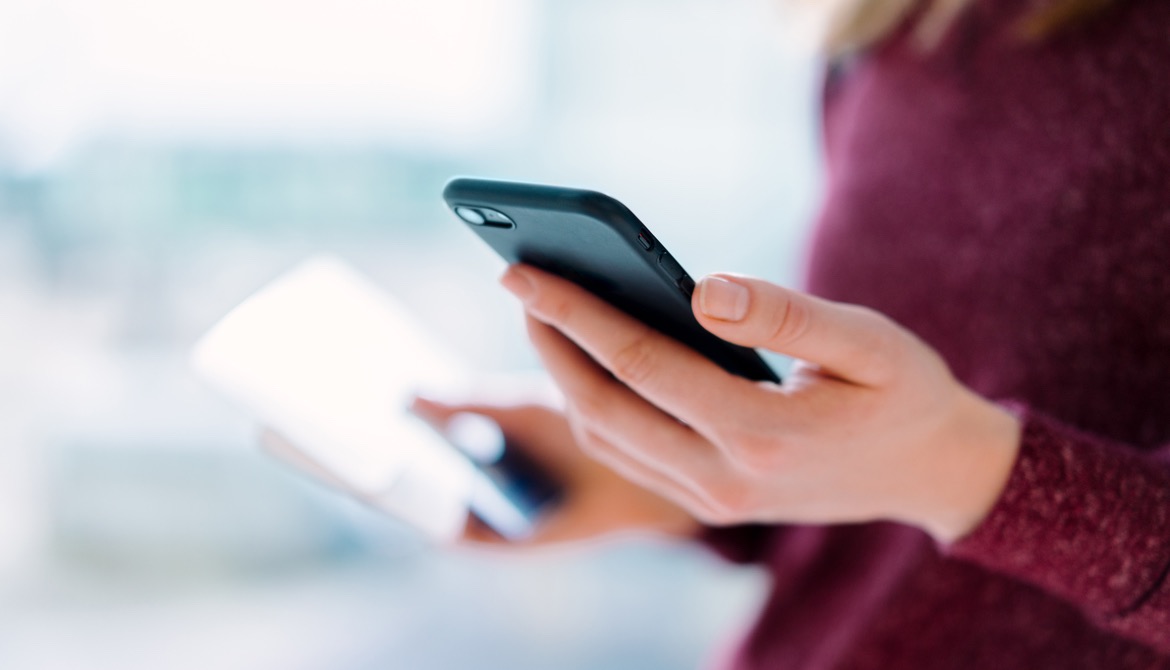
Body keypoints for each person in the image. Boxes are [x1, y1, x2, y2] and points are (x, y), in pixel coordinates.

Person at [411, 0, 1170, 667]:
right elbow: (878, 506)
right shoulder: (891, 27)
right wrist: (681, 475)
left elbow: (942, 470)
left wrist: (965, 471)